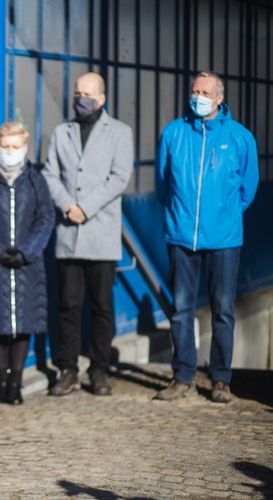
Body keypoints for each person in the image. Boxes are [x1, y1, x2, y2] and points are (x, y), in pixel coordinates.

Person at [154, 71, 259, 403]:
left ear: (219, 98)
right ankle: (182, 374)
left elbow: (248, 188)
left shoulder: (240, 138)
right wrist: (180, 215)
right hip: (181, 235)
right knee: (182, 309)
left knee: (222, 310)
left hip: (224, 239)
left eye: (204, 91)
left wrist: (224, 215)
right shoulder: (173, 133)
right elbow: (162, 183)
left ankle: (220, 379)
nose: (197, 96)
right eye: (194, 90)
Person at [42, 72, 134, 397]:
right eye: (77, 92)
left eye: (87, 93)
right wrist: (68, 205)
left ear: (101, 98)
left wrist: (86, 206)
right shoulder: (61, 132)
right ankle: (67, 369)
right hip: (69, 232)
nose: (80, 98)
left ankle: (99, 369)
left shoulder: (120, 132)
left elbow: (120, 176)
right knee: (67, 305)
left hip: (101, 232)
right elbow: (50, 173)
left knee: (101, 306)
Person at [0, 121, 54, 405]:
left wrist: (26, 251)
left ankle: (15, 383)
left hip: (27, 265)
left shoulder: (35, 180)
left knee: (22, 323)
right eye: (5, 146)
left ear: (25, 148)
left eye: (15, 147)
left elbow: (45, 218)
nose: (10, 151)